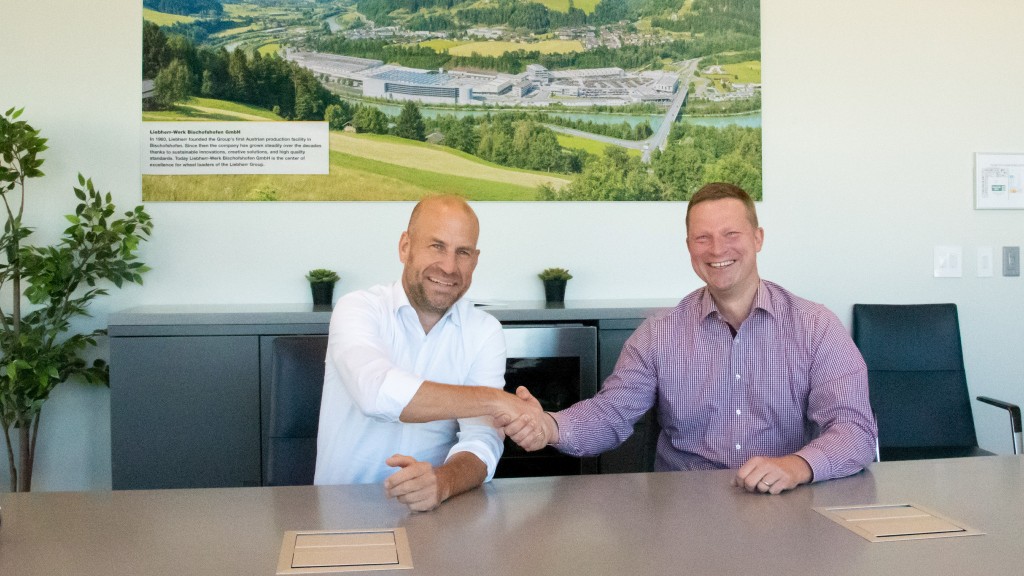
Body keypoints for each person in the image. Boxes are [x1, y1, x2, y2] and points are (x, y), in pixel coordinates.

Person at [506, 182, 877, 495]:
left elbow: (855, 431)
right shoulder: (658, 334)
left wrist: (797, 466)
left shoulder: (817, 327)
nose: (717, 250)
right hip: (682, 508)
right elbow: (611, 413)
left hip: (787, 501)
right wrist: (551, 426)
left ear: (758, 238)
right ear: (689, 247)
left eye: (731, 234)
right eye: (703, 238)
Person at [314, 195, 539, 511]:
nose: (449, 267)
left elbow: (482, 440)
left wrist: (443, 481)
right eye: (436, 246)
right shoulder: (358, 309)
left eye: (462, 252)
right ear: (405, 247)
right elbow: (375, 393)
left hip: (436, 517)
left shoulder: (484, 331)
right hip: (344, 515)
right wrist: (497, 400)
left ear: (474, 260)